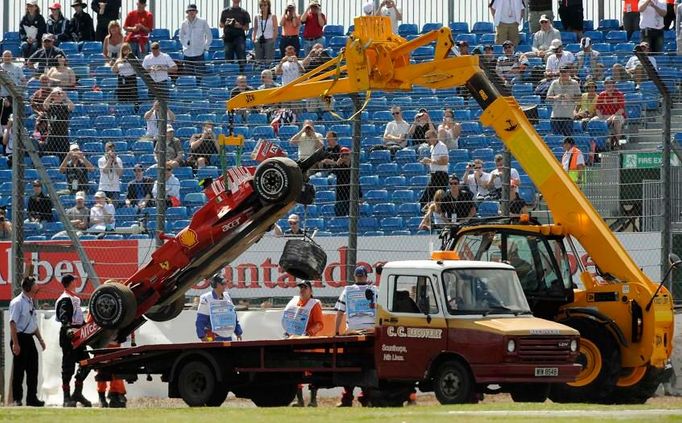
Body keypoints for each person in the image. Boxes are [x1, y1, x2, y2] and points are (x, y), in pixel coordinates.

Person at [335, 265, 377, 407]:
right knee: (368, 365)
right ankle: (365, 397)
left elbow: (340, 312)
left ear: (355, 277)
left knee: (350, 365)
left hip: (352, 333)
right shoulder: (374, 290)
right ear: (366, 276)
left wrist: (336, 332)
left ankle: (348, 398)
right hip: (369, 333)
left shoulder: (347, 290)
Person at [283, 280, 323, 407]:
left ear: (311, 291)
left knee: (312, 370)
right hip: (295, 341)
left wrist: (309, 333)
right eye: (300, 287)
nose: (302, 290)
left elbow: (319, 324)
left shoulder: (314, 304)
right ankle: (299, 400)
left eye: (305, 287)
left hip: (309, 342)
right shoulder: (295, 303)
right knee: (296, 369)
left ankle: (313, 400)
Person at [9, 276, 46, 407]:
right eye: (34, 284)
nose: (37, 286)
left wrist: (40, 339)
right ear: (28, 287)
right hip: (19, 337)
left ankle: (32, 398)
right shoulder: (17, 302)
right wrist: (15, 343)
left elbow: (33, 324)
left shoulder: (30, 301)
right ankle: (17, 399)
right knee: (19, 370)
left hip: (29, 338)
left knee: (33, 369)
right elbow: (12, 323)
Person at [56, 274, 92, 407]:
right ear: (70, 283)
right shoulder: (65, 299)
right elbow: (64, 316)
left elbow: (79, 319)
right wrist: (68, 329)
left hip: (79, 333)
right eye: (74, 281)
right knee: (68, 366)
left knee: (86, 363)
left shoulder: (74, 298)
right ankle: (66, 398)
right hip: (69, 334)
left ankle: (77, 393)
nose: (76, 283)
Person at [196, 274, 243, 341]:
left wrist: (238, 332)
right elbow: (201, 319)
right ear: (216, 284)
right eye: (223, 283)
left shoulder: (227, 296)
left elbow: (233, 316)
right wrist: (202, 336)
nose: (225, 285)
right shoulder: (206, 298)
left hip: (227, 335)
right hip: (213, 336)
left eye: (225, 283)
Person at [180, 4, 212, 79]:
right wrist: (185, 45)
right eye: (190, 11)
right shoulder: (184, 23)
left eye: (193, 10)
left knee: (200, 75)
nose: (191, 12)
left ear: (196, 12)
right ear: (187, 12)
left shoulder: (202, 22)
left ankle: (199, 89)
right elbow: (181, 37)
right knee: (189, 77)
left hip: (199, 53)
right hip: (187, 53)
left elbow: (209, 35)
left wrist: (205, 47)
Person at [418, 129, 449, 209]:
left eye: (428, 137)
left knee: (438, 197)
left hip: (440, 175)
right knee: (430, 196)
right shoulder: (432, 147)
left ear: (434, 137)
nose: (426, 139)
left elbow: (445, 161)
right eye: (426, 138)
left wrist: (430, 161)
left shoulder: (441, 146)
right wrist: (427, 162)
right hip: (435, 175)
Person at [546, 67, 581, 135]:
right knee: (556, 137)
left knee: (567, 137)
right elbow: (548, 97)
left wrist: (570, 98)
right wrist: (556, 97)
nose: (563, 73)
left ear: (569, 72)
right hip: (556, 115)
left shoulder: (574, 83)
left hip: (568, 115)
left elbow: (579, 98)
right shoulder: (554, 83)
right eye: (561, 71)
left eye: (565, 71)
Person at [42, 86, 74, 161]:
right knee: (50, 154)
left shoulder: (64, 106)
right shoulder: (51, 105)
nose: (58, 95)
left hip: (63, 134)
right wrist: (51, 95)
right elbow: (45, 105)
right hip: (52, 134)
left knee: (64, 154)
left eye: (59, 93)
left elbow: (72, 107)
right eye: (56, 94)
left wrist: (65, 97)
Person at [593, 77, 626, 147]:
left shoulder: (619, 94)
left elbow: (621, 110)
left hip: (617, 115)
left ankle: (617, 142)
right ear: (605, 87)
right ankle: (598, 143)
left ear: (614, 86)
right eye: (608, 86)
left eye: (611, 86)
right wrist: (601, 118)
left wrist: (611, 117)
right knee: (593, 120)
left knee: (616, 120)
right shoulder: (602, 95)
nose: (610, 88)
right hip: (604, 116)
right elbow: (598, 109)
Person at [220, 0, 251, 72]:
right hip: (228, 38)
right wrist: (226, 23)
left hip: (239, 38)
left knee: (241, 58)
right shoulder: (225, 11)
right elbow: (221, 25)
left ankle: (242, 74)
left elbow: (247, 27)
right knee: (228, 59)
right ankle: (229, 77)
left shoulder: (244, 12)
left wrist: (239, 26)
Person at [0, 51, 26, 130]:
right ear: (2, 57)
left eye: (9, 56)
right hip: (2, 96)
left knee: (14, 117)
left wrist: (21, 91)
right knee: (3, 119)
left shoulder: (17, 68)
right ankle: (4, 138)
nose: (7, 58)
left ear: (12, 57)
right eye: (5, 56)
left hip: (14, 96)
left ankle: (14, 136)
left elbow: (23, 80)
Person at [328, 147, 354, 216]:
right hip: (341, 194)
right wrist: (337, 164)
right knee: (340, 214)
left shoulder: (353, 166)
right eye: (343, 155)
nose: (345, 157)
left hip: (352, 193)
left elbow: (357, 181)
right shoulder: (340, 166)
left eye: (346, 154)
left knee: (352, 214)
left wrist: (360, 195)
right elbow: (333, 173)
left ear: (350, 155)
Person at [111, 43, 138, 109]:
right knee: (122, 98)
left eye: (127, 50)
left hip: (131, 80)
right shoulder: (119, 59)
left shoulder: (134, 58)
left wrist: (131, 61)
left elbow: (137, 69)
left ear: (129, 50)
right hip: (122, 80)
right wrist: (117, 63)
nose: (125, 51)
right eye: (124, 50)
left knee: (133, 98)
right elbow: (114, 70)